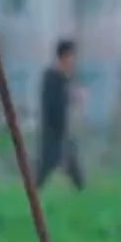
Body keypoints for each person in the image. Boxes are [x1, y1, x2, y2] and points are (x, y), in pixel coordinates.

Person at [36, 39, 85, 190]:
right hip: (52, 130)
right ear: (64, 56)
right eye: (71, 56)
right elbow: (52, 104)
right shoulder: (51, 77)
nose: (73, 60)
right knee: (46, 165)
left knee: (72, 164)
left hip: (64, 131)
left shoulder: (66, 77)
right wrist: (70, 96)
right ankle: (34, 193)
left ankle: (82, 193)